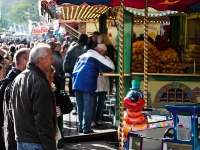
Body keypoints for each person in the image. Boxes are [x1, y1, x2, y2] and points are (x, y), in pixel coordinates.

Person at [10, 43, 57, 149]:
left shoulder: (19, 78)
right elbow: (43, 121)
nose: (52, 61)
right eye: (50, 58)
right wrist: (50, 147)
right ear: (41, 59)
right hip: (35, 142)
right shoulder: (39, 83)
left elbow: (11, 113)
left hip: (22, 141)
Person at [72, 43, 115, 134]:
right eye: (104, 53)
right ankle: (86, 128)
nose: (104, 55)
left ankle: (80, 127)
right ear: (101, 51)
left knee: (80, 106)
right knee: (88, 106)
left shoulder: (82, 56)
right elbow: (111, 67)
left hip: (76, 82)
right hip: (87, 83)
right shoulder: (96, 56)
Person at [3, 48, 30, 150]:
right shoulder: (16, 83)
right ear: (23, 61)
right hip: (17, 139)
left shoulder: (17, 79)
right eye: (31, 59)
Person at [91, 56, 113, 128]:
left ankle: (99, 119)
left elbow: (112, 68)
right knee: (93, 103)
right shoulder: (93, 58)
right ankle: (92, 120)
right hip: (94, 84)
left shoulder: (107, 59)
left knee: (101, 103)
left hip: (103, 84)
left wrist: (106, 70)